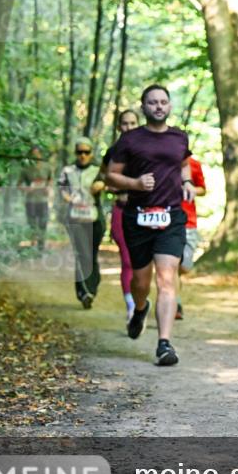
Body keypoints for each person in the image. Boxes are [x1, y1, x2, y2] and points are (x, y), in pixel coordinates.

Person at [106, 84, 196, 366]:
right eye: (153, 102)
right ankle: (140, 308)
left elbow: (183, 164)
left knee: (167, 278)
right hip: (138, 216)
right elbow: (110, 175)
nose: (158, 106)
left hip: (171, 217)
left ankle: (164, 344)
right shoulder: (130, 140)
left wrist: (188, 181)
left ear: (169, 106)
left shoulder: (179, 137)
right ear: (144, 107)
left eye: (163, 102)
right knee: (141, 282)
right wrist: (134, 183)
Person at [101, 110, 140, 320]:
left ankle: (142, 301)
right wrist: (116, 188)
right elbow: (104, 177)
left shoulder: (146, 150)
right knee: (127, 260)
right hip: (121, 210)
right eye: (124, 124)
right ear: (118, 127)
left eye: (133, 123)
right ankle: (131, 305)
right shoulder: (112, 152)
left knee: (143, 262)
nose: (128, 128)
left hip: (144, 211)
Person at [58, 137, 103, 309]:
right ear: (75, 153)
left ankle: (92, 287)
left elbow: (110, 183)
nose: (83, 155)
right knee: (82, 253)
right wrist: (66, 196)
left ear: (91, 153)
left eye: (86, 152)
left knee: (91, 255)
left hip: (94, 218)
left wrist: (102, 184)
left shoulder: (98, 170)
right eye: (79, 152)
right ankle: (84, 292)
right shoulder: (68, 170)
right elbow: (60, 186)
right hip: (75, 218)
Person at [175, 154, 206, 320]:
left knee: (185, 266)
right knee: (171, 265)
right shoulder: (163, 161)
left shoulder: (194, 164)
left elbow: (202, 188)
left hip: (189, 221)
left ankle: (172, 290)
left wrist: (193, 189)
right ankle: (175, 303)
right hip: (169, 220)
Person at [22, 146, 52, 250]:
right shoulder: (26, 168)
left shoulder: (47, 166)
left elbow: (51, 180)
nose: (35, 156)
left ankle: (41, 245)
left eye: (37, 153)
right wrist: (26, 189)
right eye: (33, 154)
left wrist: (48, 188)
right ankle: (32, 243)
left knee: (43, 222)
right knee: (32, 223)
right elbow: (19, 184)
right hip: (30, 200)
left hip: (43, 200)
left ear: (40, 154)